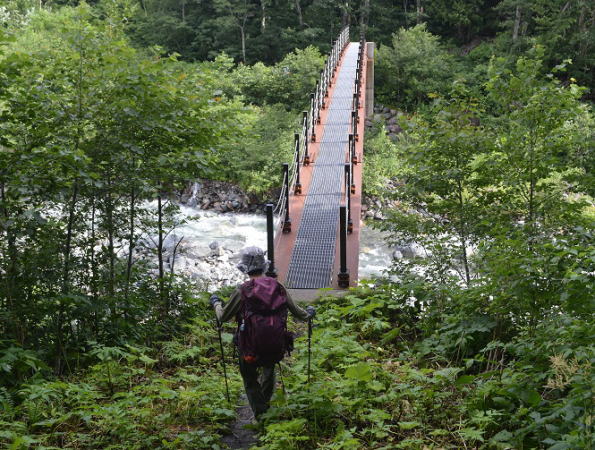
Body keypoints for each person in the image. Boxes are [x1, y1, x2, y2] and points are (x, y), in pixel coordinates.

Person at [209, 246, 315, 419]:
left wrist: (216, 303)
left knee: (250, 379)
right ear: (264, 266)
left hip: (249, 345)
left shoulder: (243, 290)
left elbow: (223, 317)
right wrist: (309, 313)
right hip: (275, 343)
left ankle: (261, 413)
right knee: (269, 368)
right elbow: (299, 313)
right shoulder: (278, 286)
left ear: (245, 268)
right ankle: (266, 405)